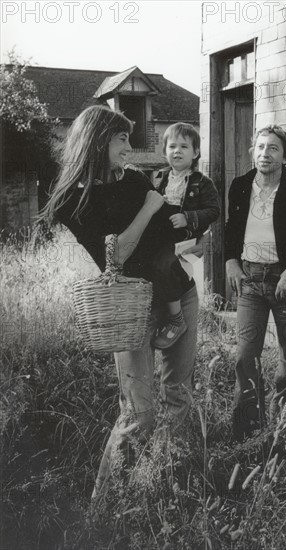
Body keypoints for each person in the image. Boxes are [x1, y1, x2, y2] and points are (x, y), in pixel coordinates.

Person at [39, 105, 199, 497]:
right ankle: (105, 502)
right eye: (122, 138)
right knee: (139, 413)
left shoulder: (136, 179)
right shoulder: (73, 202)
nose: (130, 146)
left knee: (179, 397)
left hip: (178, 292)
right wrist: (148, 208)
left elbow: (169, 236)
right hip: (129, 308)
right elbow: (116, 256)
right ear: (98, 140)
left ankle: (163, 485)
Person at [225, 124, 286, 441]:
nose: (264, 153)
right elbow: (231, 229)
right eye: (259, 147)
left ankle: (285, 429)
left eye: (272, 148)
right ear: (253, 151)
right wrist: (230, 261)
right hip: (251, 282)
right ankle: (248, 433)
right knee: (245, 356)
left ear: (285, 156)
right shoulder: (240, 186)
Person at [153, 122, 220, 349]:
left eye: (184, 146)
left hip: (184, 237)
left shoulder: (202, 182)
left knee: (167, 265)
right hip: (161, 235)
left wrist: (189, 217)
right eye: (172, 146)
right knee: (155, 266)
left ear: (196, 153)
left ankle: (176, 318)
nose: (177, 151)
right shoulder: (158, 178)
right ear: (164, 152)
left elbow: (214, 210)